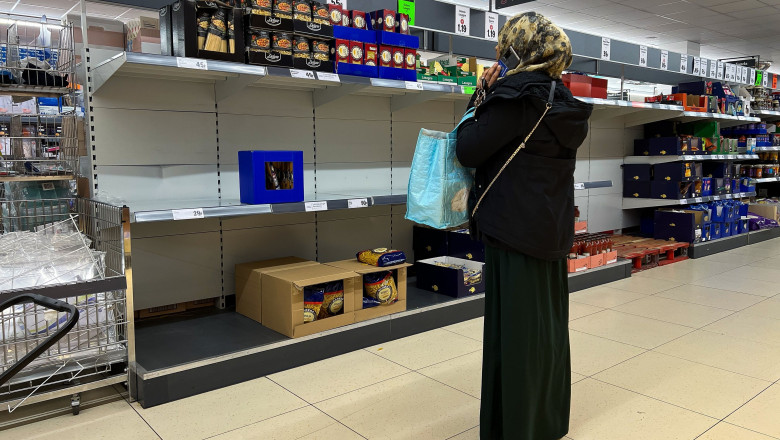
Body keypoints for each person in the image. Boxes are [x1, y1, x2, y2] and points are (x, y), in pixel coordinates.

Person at [455, 12, 593, 440]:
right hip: (550, 232)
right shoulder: (566, 102)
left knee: (512, 334)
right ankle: (547, 420)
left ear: (519, 48)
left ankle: (515, 427)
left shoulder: (515, 95)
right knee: (547, 331)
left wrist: (482, 92)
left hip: (512, 233)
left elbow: (467, 148)